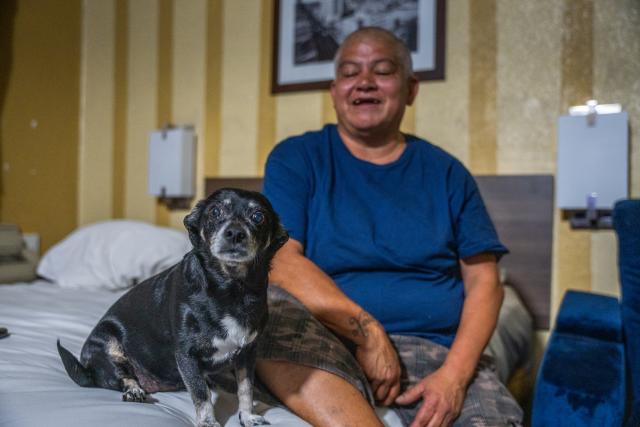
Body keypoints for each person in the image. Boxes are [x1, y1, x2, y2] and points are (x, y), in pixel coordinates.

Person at [254, 27, 524, 427]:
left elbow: (485, 283)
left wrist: (453, 377)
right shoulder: (297, 159)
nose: (364, 82)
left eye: (382, 71)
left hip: (431, 351)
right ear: (334, 90)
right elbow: (282, 260)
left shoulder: (447, 174)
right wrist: (367, 331)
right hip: (324, 341)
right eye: (350, 72)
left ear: (411, 89)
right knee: (262, 311)